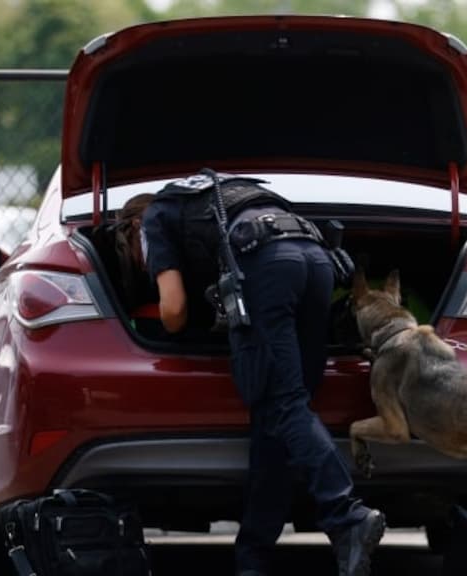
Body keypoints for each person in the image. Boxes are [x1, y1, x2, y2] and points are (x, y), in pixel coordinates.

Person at [137, 171, 385, 576]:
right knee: (280, 414)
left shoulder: (155, 215)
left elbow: (174, 312)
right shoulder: (233, 191)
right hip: (315, 261)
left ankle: (347, 517)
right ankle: (253, 555)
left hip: (266, 268)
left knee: (284, 404)